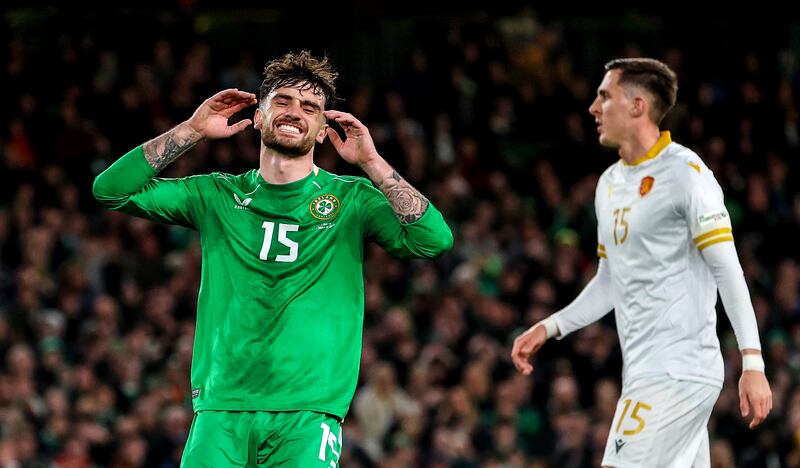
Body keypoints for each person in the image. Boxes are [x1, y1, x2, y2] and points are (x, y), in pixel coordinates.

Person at [93, 50, 453, 467]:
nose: (295, 112)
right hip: (222, 406)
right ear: (259, 116)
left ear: (322, 131)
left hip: (307, 411)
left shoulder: (352, 200)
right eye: (281, 101)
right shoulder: (215, 195)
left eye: (310, 108)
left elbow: (433, 241)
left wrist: (371, 162)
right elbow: (111, 190)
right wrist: (191, 131)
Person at [510, 58, 772, 467]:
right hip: (644, 371)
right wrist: (551, 325)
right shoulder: (609, 185)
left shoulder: (687, 174)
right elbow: (611, 280)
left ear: (637, 106)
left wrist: (752, 363)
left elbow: (728, 270)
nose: (593, 108)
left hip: (677, 373)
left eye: (604, 96)